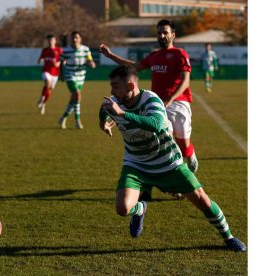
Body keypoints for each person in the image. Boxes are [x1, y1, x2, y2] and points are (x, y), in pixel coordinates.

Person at [99, 65, 246, 252]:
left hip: (168, 162)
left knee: (203, 201)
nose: (111, 91)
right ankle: (141, 209)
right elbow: (104, 109)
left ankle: (229, 237)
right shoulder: (113, 102)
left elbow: (156, 124)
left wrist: (122, 114)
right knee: (122, 208)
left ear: (129, 87)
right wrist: (103, 123)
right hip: (136, 164)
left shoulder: (151, 100)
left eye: (115, 86)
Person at [99, 19, 198, 174]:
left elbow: (185, 82)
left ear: (173, 35)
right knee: (166, 141)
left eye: (165, 32)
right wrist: (111, 55)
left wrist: (170, 99)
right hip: (158, 106)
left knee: (184, 145)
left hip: (179, 103)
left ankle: (190, 155)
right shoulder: (155, 55)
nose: (161, 35)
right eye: (159, 33)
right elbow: (133, 67)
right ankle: (174, 181)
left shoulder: (180, 54)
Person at [58, 31, 96, 129]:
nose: (74, 40)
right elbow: (61, 62)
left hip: (81, 77)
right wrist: (61, 75)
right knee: (77, 95)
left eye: (76, 37)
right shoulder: (66, 50)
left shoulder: (86, 50)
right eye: (72, 38)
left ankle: (63, 117)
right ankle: (77, 121)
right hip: (70, 76)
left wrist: (92, 63)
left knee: (74, 99)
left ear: (80, 39)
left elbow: (90, 60)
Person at [37, 34, 63, 115]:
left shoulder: (59, 50)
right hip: (46, 71)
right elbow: (39, 59)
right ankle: (42, 97)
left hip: (55, 73)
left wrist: (58, 64)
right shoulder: (45, 50)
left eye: (52, 40)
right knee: (47, 83)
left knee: (49, 90)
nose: (50, 42)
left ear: (55, 41)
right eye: (49, 40)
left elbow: (63, 60)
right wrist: (40, 60)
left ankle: (44, 104)